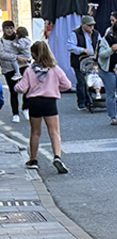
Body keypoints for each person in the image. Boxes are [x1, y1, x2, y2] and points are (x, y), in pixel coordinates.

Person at [15, 42, 71, 174]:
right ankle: (57, 156)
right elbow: (67, 85)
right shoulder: (55, 69)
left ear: (34, 54)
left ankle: (33, 160)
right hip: (49, 101)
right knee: (54, 131)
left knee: (35, 132)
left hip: (34, 102)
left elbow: (21, 88)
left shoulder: (30, 70)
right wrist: (55, 88)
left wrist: (16, 84)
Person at [0, 22, 32, 121]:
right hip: (9, 68)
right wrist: (16, 57)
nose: (9, 30)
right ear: (3, 30)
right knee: (13, 91)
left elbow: (26, 48)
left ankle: (25, 108)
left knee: (28, 87)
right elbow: (2, 54)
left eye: (11, 28)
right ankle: (15, 113)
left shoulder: (19, 38)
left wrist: (26, 57)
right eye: (7, 28)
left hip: (22, 65)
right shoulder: (2, 41)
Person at [66, 15, 97, 112]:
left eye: (92, 25)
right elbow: (69, 46)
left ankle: (92, 100)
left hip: (92, 60)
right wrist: (82, 50)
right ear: (83, 25)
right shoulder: (75, 33)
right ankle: (81, 102)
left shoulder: (96, 33)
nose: (91, 27)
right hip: (79, 61)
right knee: (81, 81)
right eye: (89, 25)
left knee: (93, 80)